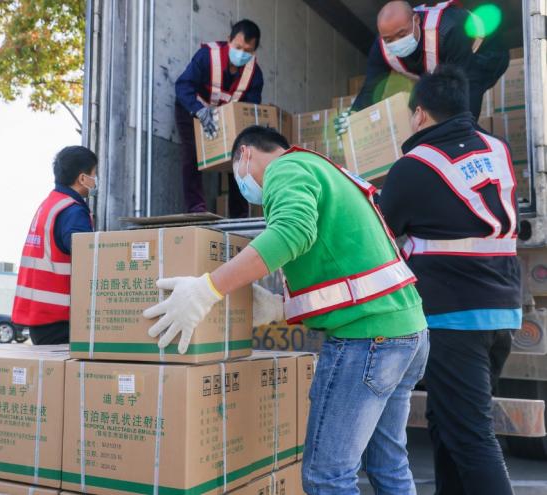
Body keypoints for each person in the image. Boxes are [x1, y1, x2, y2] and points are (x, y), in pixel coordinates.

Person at [143, 126, 429, 494]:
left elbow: (293, 233)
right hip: (408, 333)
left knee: (328, 478)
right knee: (387, 464)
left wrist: (208, 288)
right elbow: (341, 266)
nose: (246, 188)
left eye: (237, 175)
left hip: (369, 339)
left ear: (246, 154)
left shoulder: (285, 168)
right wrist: (281, 306)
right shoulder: (323, 172)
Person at [379, 65, 519, 495]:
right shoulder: (498, 149)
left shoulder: (414, 166)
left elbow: (381, 232)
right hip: (502, 314)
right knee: (449, 422)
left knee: (471, 436)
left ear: (419, 114)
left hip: (455, 319)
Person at [337, 0, 508, 134]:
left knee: (457, 114)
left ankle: (469, 140)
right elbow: (370, 89)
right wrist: (353, 117)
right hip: (441, 68)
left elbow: (464, 86)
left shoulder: (448, 28)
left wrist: (459, 127)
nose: (396, 42)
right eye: (389, 39)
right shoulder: (381, 48)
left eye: (402, 34)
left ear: (416, 20)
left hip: (484, 56)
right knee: (416, 108)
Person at [175, 19, 264, 217]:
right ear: (228, 40)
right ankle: (196, 208)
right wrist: (198, 110)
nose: (241, 53)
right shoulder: (208, 56)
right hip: (193, 109)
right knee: (192, 155)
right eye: (238, 47)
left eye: (247, 50)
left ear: (254, 52)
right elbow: (183, 86)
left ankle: (239, 215)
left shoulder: (254, 74)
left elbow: (250, 108)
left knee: (241, 157)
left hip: (226, 119)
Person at [12, 146, 98, 345]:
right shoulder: (72, 212)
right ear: (83, 178)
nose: (96, 180)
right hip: (59, 320)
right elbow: (88, 260)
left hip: (41, 317)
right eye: (94, 174)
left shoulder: (50, 204)